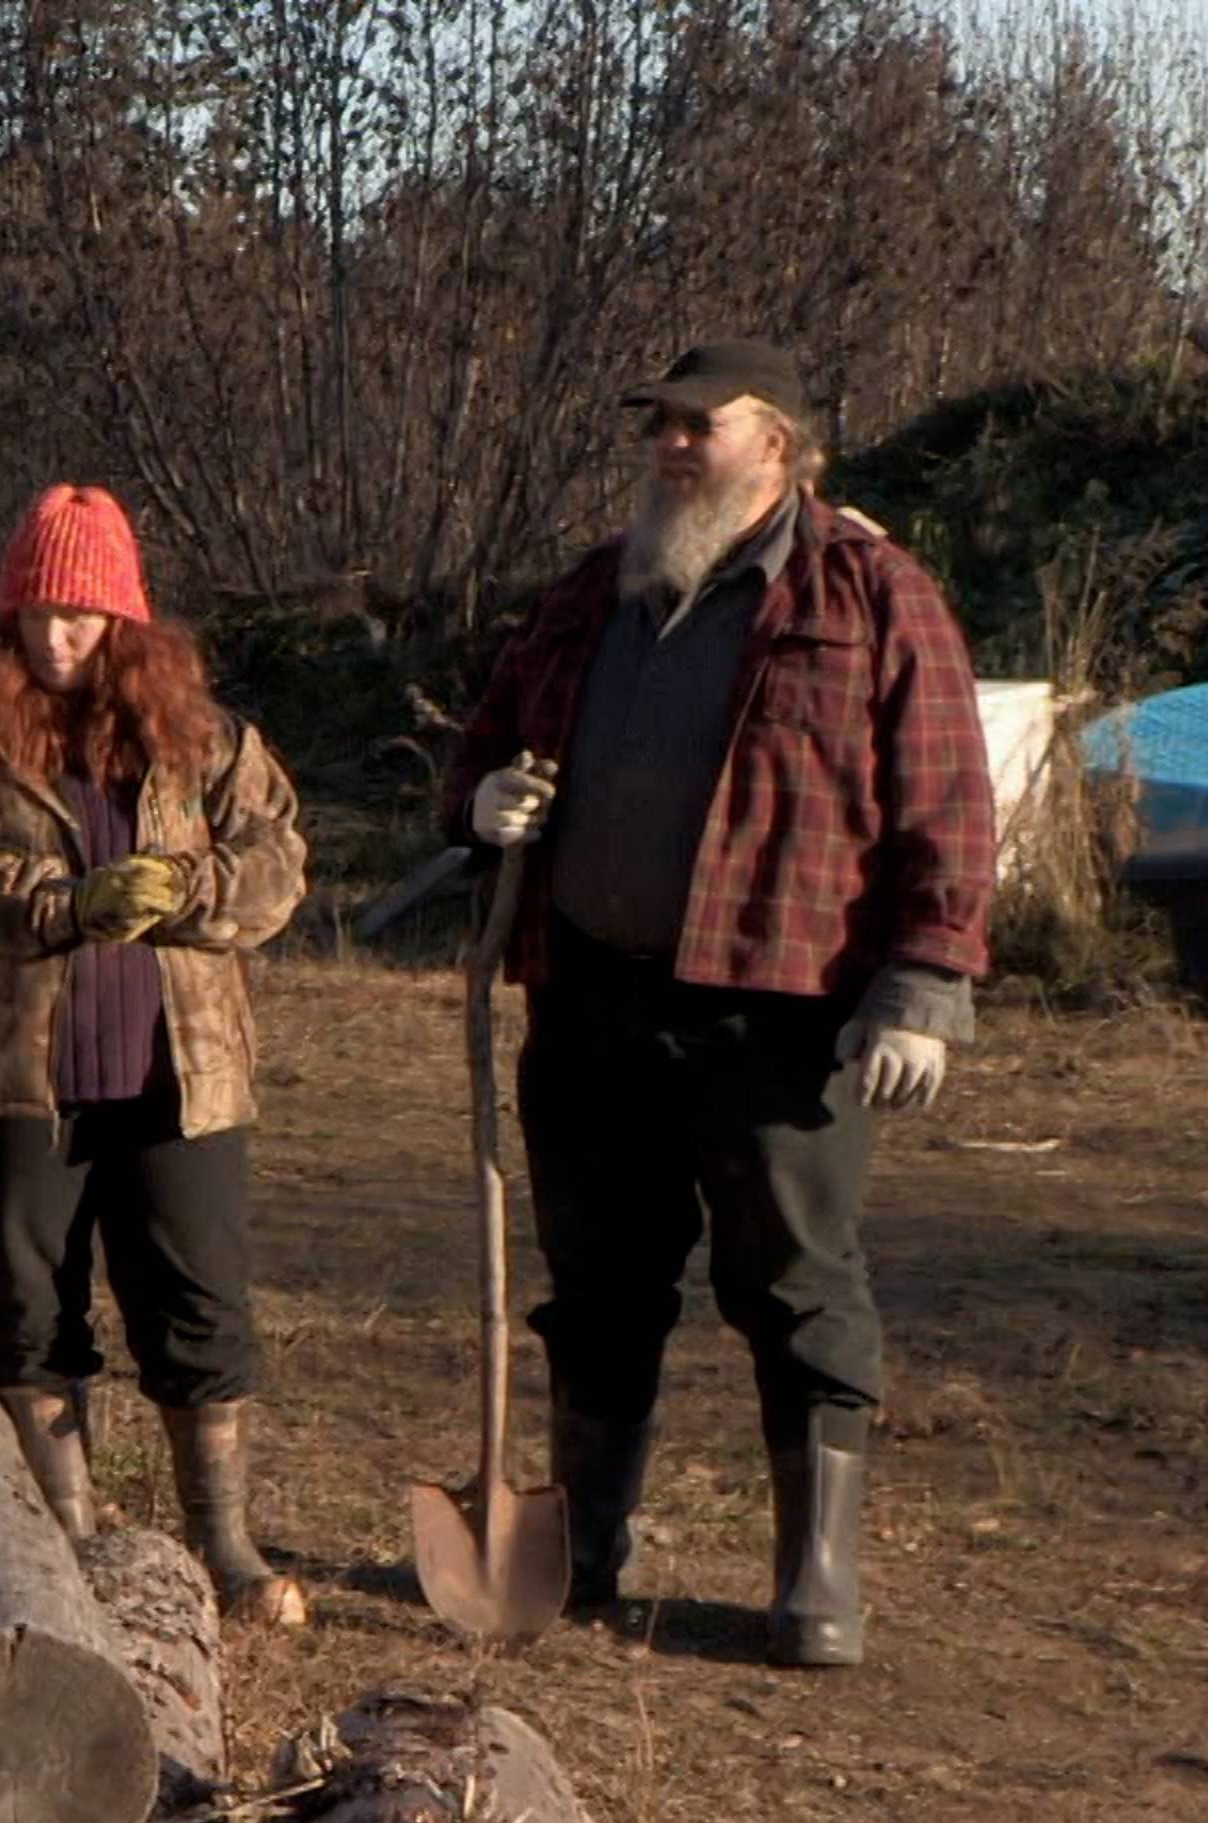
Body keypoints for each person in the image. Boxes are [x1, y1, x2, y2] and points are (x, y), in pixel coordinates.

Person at [441, 338, 995, 1668]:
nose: (673, 445)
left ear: (782, 444)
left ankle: (815, 1582)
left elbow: (947, 799)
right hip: (592, 999)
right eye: (662, 424)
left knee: (796, 1284)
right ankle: (584, 1548)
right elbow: (492, 735)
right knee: (601, 1286)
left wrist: (924, 985)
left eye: (703, 423)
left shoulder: (867, 592)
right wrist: (481, 805)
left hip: (780, 1012)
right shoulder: (594, 592)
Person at [0, 483, 313, 1624]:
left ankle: (221, 1546)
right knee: (31, 1307)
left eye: (82, 615)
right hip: (13, 1074)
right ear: (6, 622)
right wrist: (64, 901)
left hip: (183, 1072)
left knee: (199, 1303)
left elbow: (278, 864)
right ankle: (65, 1541)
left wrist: (186, 890)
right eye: (38, 615)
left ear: (127, 622)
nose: (59, 637)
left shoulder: (208, 742)